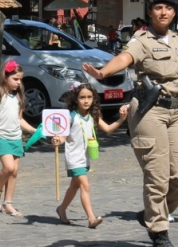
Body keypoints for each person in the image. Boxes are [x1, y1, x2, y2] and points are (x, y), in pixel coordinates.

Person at [83, 0, 178, 247]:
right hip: (149, 111)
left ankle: (149, 215)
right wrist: (103, 72)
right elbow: (125, 58)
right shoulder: (142, 40)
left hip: (177, 112)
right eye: (158, 8)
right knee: (157, 175)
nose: (164, 12)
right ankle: (159, 234)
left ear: (174, 13)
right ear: (150, 12)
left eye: (168, 8)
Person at [53, 82, 129, 228]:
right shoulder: (70, 117)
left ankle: (61, 209)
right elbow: (62, 137)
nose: (86, 101)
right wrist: (58, 140)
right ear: (76, 99)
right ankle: (91, 218)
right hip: (74, 158)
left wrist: (121, 119)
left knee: (74, 187)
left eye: (89, 97)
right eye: (82, 97)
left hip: (85, 157)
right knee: (85, 185)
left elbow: (107, 128)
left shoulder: (93, 116)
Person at [0, 60, 36, 217]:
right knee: (8, 167)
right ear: (5, 77)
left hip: (15, 137)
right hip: (0, 136)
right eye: (15, 79)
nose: (19, 83)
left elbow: (20, 119)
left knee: (14, 172)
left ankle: (9, 203)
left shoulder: (18, 97)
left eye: (20, 79)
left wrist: (33, 130)